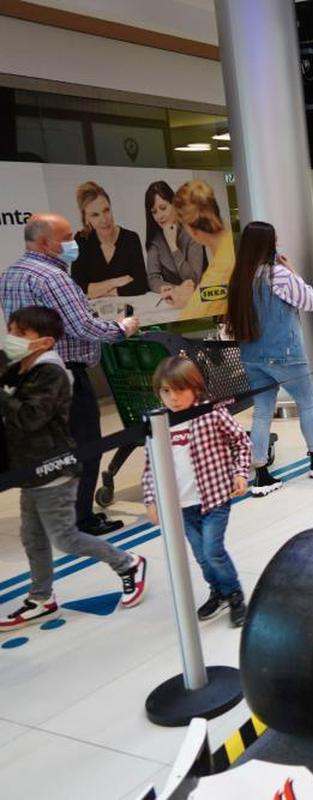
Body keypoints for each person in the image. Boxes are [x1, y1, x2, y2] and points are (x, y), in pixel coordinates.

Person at [0, 306, 147, 631]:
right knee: (32, 536)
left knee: (65, 538)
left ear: (46, 341)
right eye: (11, 330)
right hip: (31, 468)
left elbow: (30, 417)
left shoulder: (50, 372)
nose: (12, 338)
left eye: (21, 334)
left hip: (54, 468)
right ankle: (42, 598)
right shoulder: (21, 367)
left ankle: (128, 563)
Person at [1, 214, 138, 535]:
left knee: (51, 449)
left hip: (28, 374)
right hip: (67, 376)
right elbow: (82, 326)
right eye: (66, 238)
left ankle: (53, 516)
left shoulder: (11, 275)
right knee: (85, 446)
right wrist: (122, 329)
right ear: (45, 243)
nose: (73, 243)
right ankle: (80, 519)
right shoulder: (53, 278)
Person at [225, 221, 313, 495]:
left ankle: (262, 474)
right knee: (306, 403)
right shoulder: (277, 274)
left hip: (252, 355)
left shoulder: (240, 279)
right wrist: (293, 271)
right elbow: (310, 301)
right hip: (285, 353)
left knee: (262, 412)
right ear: (267, 244)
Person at [142, 355, 249, 627]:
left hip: (214, 498)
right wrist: (152, 498)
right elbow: (150, 464)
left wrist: (239, 472)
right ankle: (219, 591)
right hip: (181, 505)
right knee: (201, 555)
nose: (173, 398)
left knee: (213, 551)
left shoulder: (211, 413)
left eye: (180, 390)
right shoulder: (158, 423)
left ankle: (235, 593)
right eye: (166, 391)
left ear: (196, 388)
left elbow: (240, 442)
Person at [72, 181, 149, 298]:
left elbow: (141, 284)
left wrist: (106, 292)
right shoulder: (81, 240)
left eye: (106, 210)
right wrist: (116, 282)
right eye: (95, 215)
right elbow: (77, 288)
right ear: (86, 218)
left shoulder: (131, 238)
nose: (104, 220)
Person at [173, 179, 236, 319]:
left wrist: (193, 301)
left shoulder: (220, 270)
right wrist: (196, 297)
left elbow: (186, 321)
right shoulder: (232, 244)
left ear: (191, 229)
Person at [144, 181, 207, 305]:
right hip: (172, 300)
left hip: (198, 301)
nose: (159, 216)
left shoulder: (193, 232)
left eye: (163, 208)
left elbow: (193, 279)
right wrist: (175, 289)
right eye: (154, 212)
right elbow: (152, 279)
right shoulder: (155, 239)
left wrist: (173, 246)